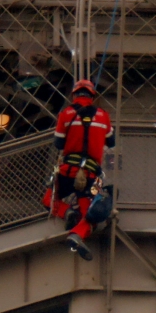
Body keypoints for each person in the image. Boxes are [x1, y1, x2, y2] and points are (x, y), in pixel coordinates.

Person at [43, 79, 115, 260]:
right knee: (89, 212)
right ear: (92, 96)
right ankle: (77, 234)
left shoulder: (66, 113)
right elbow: (111, 142)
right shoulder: (103, 115)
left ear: (74, 94)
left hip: (68, 171)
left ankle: (66, 212)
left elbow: (58, 143)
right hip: (90, 174)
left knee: (48, 198)